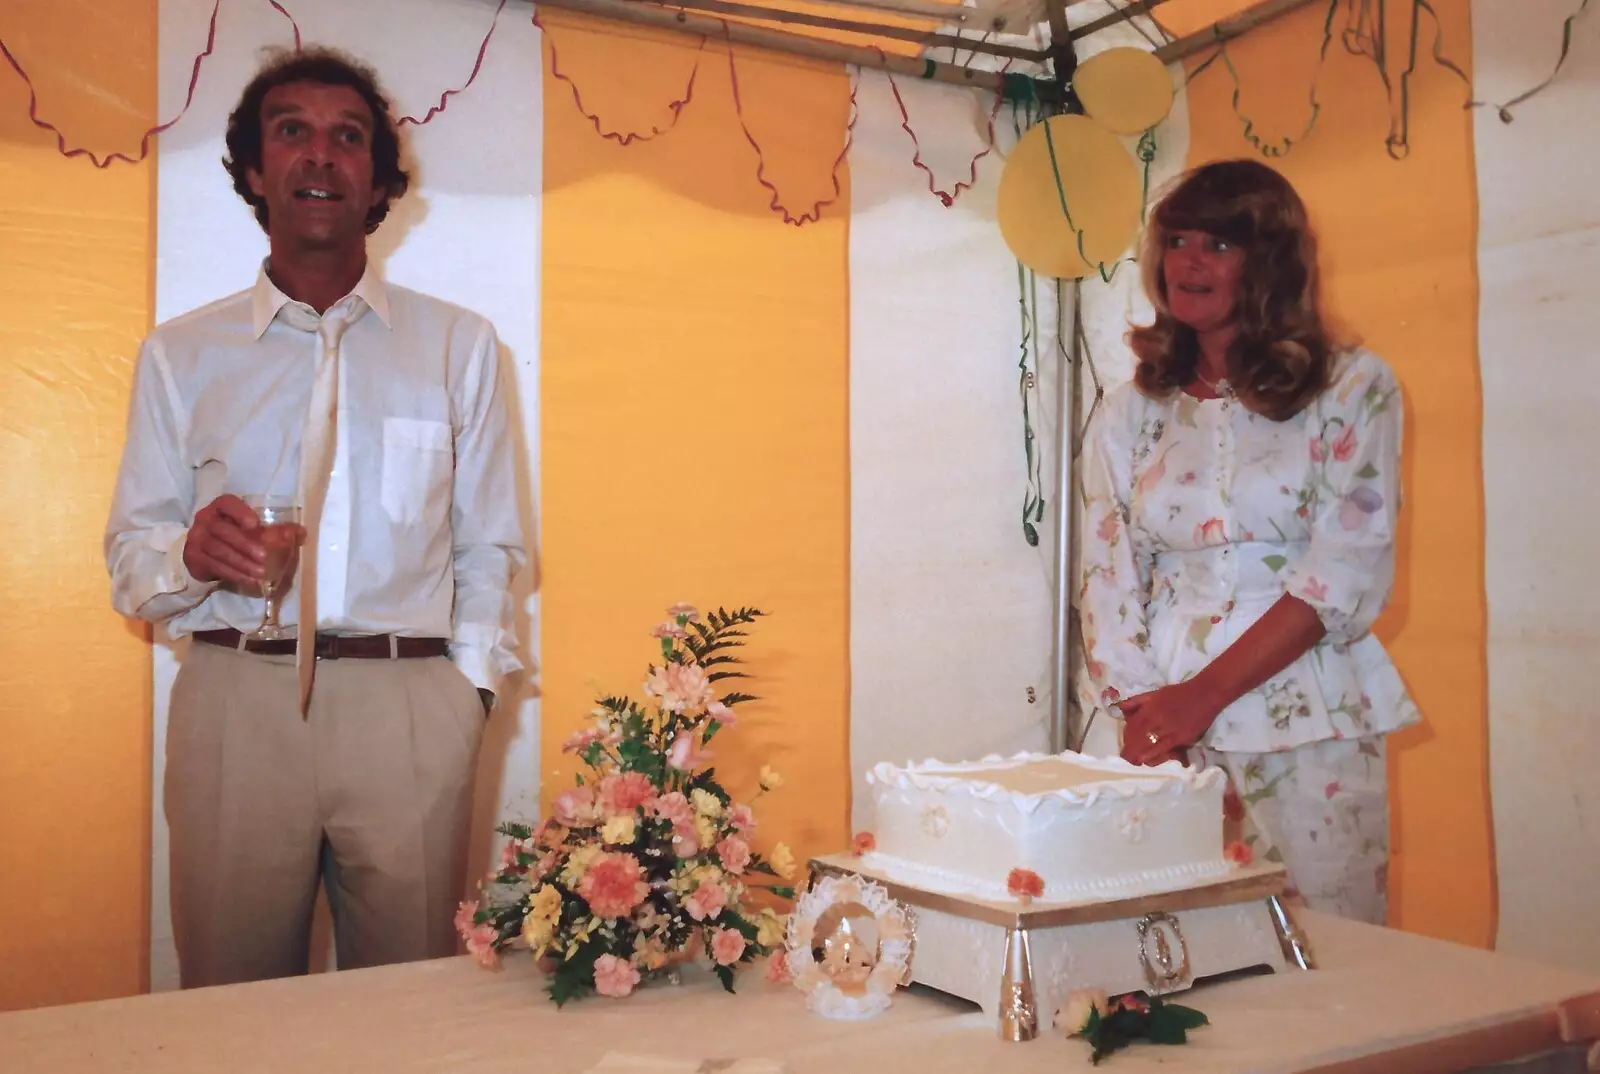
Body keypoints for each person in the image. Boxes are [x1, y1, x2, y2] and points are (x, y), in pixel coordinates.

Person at [104, 47, 526, 986]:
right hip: (234, 701)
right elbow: (132, 560)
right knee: (231, 1003)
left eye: (348, 136)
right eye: (291, 130)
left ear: (378, 179)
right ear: (255, 171)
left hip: (408, 706)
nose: (320, 155)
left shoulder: (460, 347)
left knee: (412, 1001)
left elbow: (490, 545)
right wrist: (189, 555)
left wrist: (467, 697)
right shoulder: (181, 356)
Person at [1075, 158, 1418, 925]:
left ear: (1268, 262)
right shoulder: (1129, 412)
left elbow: (1344, 573)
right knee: (1160, 952)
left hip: (1306, 717)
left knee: (1328, 950)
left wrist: (1201, 698)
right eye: (1179, 241)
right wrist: (1147, 713)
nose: (1190, 261)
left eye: (1220, 245)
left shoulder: (1353, 388)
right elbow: (1106, 573)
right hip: (1153, 723)